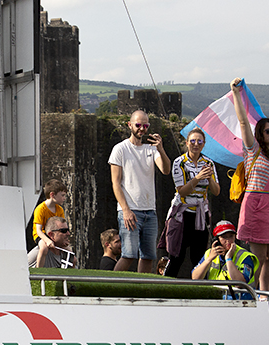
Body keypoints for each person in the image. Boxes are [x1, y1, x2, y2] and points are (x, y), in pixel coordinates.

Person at [230, 78, 269, 292]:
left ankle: (264, 293)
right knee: (258, 256)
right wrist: (235, 93)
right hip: (256, 202)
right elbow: (243, 122)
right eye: (268, 131)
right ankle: (252, 291)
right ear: (260, 133)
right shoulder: (253, 149)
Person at [109, 110, 171, 274]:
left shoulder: (151, 149)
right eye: (138, 125)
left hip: (150, 211)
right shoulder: (120, 149)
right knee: (129, 254)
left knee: (148, 256)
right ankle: (113, 287)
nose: (142, 129)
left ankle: (141, 290)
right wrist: (126, 210)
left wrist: (161, 149)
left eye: (145, 125)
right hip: (130, 210)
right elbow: (115, 183)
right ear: (130, 125)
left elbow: (165, 170)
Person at [161, 127, 219, 278]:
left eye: (199, 141)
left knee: (199, 257)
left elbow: (216, 191)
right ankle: (166, 286)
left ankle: (199, 290)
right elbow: (182, 191)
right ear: (187, 143)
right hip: (183, 213)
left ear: (204, 144)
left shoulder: (208, 163)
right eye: (192, 141)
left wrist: (210, 177)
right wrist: (198, 178)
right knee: (176, 256)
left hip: (201, 213)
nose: (196, 144)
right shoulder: (179, 162)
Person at [191, 220, 258, 297]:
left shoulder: (245, 256)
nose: (228, 241)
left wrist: (228, 259)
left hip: (238, 301)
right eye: (224, 237)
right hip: (214, 298)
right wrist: (209, 259)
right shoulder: (209, 254)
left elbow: (240, 283)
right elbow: (195, 278)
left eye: (231, 236)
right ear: (216, 240)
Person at [32, 179, 67, 249]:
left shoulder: (60, 209)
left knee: (69, 251)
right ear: (52, 195)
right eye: (62, 195)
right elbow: (38, 230)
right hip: (41, 235)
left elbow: (62, 228)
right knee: (43, 248)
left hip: (53, 235)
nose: (64, 198)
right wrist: (47, 240)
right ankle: (40, 260)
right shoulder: (40, 209)